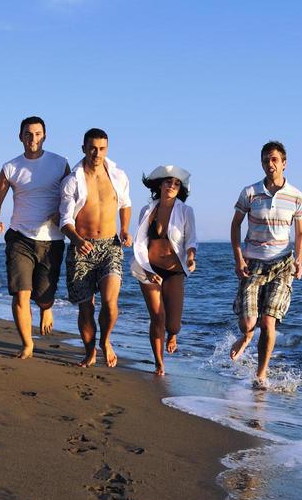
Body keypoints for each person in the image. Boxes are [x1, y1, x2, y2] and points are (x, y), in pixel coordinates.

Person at [0, 116, 71, 359]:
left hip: (52, 239)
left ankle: (47, 307)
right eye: (27, 134)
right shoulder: (10, 167)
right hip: (19, 236)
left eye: (37, 134)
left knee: (44, 294)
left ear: (44, 136)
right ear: (20, 136)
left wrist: (62, 214)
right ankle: (27, 344)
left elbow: (71, 197)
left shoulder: (60, 163)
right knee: (21, 292)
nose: (32, 138)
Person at [229, 140, 302, 387]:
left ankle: (261, 373)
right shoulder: (250, 192)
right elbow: (235, 225)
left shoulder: (296, 197)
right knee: (249, 323)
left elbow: (301, 234)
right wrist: (238, 257)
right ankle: (246, 336)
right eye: (265, 160)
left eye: (274, 159)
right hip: (253, 263)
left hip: (282, 265)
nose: (269, 164)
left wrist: (299, 260)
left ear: (284, 163)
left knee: (268, 321)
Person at [57, 128, 132, 368]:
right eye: (92, 148)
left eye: (101, 148)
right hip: (81, 248)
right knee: (86, 307)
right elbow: (65, 220)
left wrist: (125, 229)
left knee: (111, 302)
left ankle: (106, 341)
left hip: (110, 246)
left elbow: (125, 204)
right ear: (83, 148)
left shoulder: (118, 176)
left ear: (106, 149)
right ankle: (89, 352)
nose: (96, 153)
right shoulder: (72, 181)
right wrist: (77, 240)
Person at [129, 165, 198, 377]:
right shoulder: (147, 210)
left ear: (180, 189)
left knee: (173, 323)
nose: (172, 186)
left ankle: (173, 334)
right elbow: (140, 243)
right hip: (149, 269)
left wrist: (191, 257)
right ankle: (159, 363)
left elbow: (191, 240)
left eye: (176, 184)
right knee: (157, 317)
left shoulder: (186, 211)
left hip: (174, 271)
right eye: (168, 182)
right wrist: (147, 269)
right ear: (160, 185)